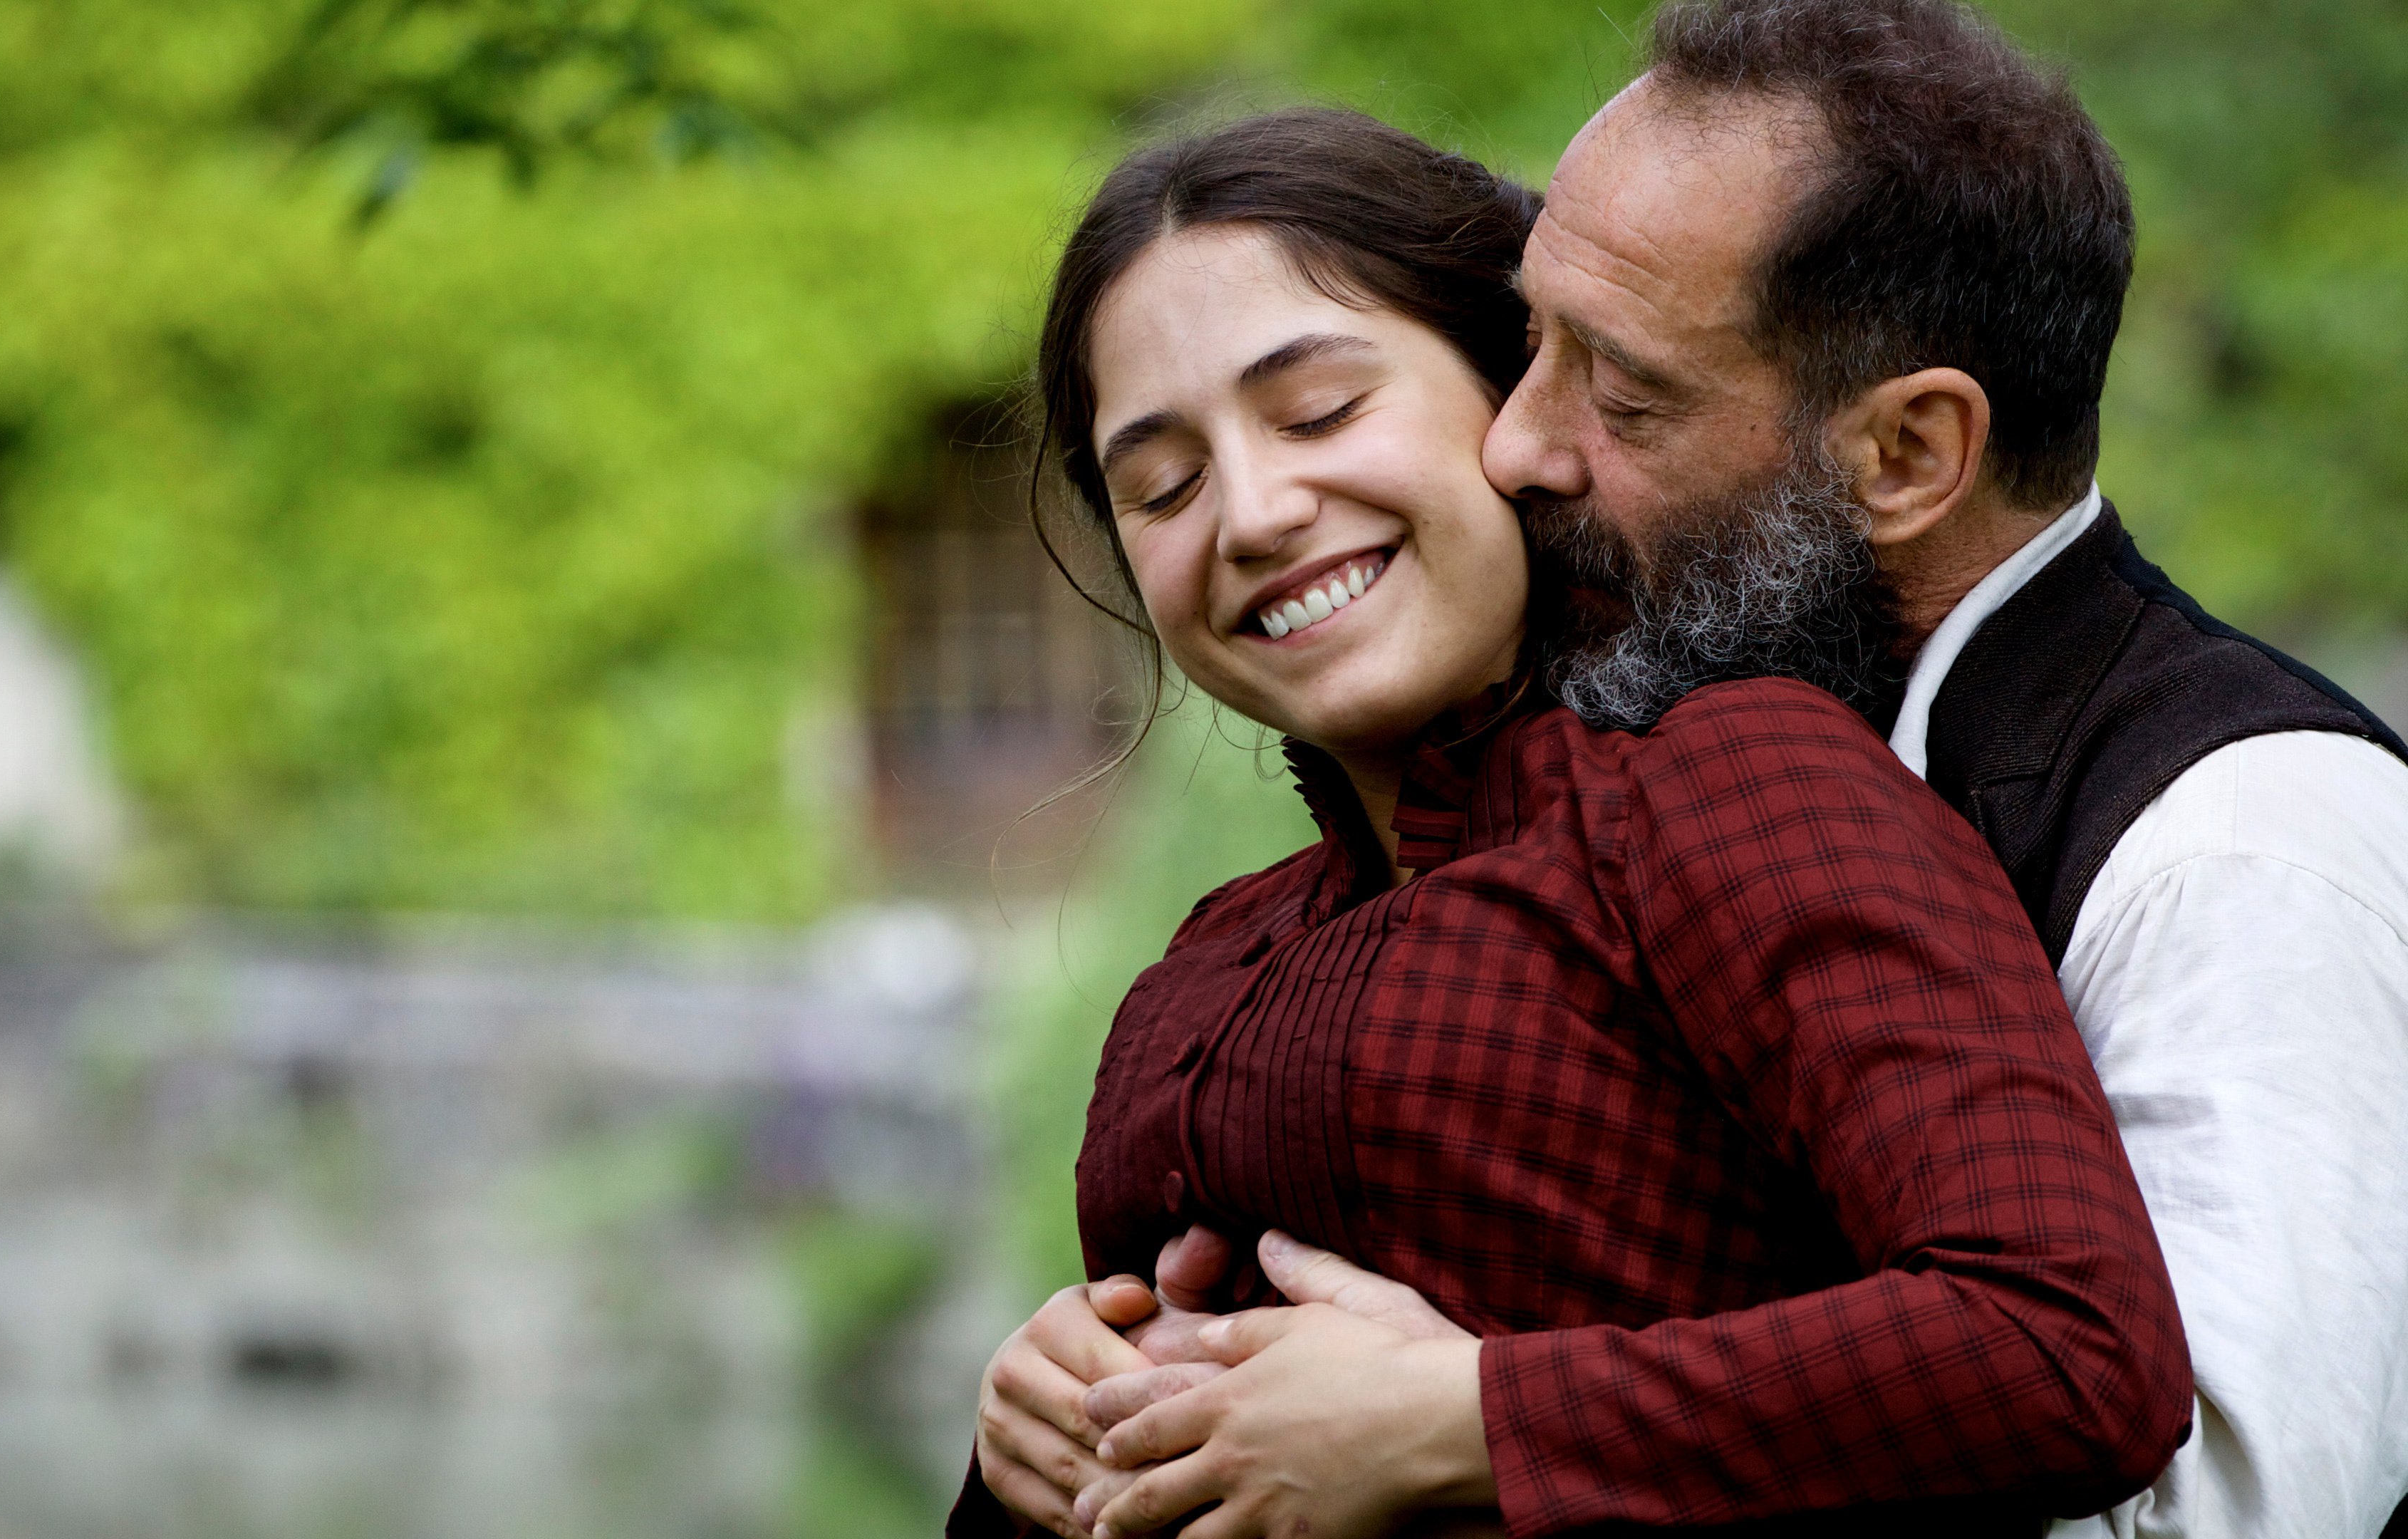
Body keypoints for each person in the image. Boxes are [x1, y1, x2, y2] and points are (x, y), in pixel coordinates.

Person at [1000, 2, 2408, 1537]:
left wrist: (1473, 1422)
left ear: (1905, 457)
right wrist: (1076, 1420)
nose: (1519, 447)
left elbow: (2205, 1505)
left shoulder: (2242, 839)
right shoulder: (1430, 866)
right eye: (1529, 343)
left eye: (1620, 389)